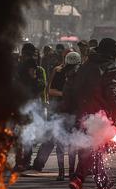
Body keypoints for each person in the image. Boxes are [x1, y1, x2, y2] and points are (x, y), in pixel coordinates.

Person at [68, 38, 116, 189]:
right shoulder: (110, 66)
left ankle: (102, 182)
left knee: (96, 148)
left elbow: (72, 89)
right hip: (99, 114)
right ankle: (78, 178)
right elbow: (113, 91)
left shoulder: (85, 65)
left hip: (82, 112)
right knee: (93, 149)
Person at [32, 51, 81, 180]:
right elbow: (50, 90)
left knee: (70, 143)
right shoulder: (59, 72)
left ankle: (69, 172)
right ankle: (62, 171)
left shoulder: (78, 73)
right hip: (61, 112)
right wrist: (65, 94)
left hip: (71, 112)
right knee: (62, 142)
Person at [15, 43, 47, 172]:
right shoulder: (31, 63)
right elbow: (35, 81)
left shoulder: (19, 65)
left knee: (21, 134)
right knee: (27, 134)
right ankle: (24, 161)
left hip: (21, 101)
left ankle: (20, 162)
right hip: (29, 103)